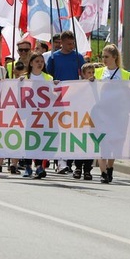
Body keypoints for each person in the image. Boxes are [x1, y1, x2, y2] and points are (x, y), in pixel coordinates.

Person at [46, 30, 85, 178]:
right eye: (69, 44)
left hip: (74, 98)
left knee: (72, 128)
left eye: (73, 43)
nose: (72, 46)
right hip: (58, 98)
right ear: (61, 43)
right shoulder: (54, 58)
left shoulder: (78, 57)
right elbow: (49, 76)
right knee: (60, 128)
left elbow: (84, 74)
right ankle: (60, 160)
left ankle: (68, 159)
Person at [94, 44, 130, 183]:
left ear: (115, 57)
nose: (104, 59)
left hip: (117, 113)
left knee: (114, 141)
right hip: (101, 112)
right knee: (101, 142)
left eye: (107, 57)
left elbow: (129, 93)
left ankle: (110, 167)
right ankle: (103, 172)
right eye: (103, 56)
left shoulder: (124, 74)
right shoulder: (98, 72)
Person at [23, 53, 52, 179]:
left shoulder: (49, 78)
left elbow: (53, 95)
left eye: (42, 61)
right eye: (37, 61)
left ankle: (39, 166)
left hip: (43, 114)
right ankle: (27, 166)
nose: (40, 63)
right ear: (31, 63)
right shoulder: (24, 78)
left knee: (40, 139)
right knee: (29, 140)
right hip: (28, 114)